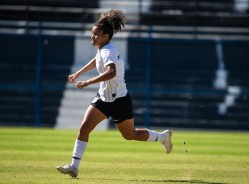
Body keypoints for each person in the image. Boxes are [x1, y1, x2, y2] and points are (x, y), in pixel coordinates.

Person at [56, 9, 173, 178]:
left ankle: (162, 137)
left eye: (96, 35)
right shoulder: (103, 49)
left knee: (130, 135)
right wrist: (79, 73)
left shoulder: (108, 51)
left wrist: (88, 81)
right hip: (103, 98)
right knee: (84, 128)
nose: (92, 37)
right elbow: (97, 60)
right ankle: (74, 166)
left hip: (119, 100)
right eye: (92, 34)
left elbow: (111, 72)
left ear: (105, 36)